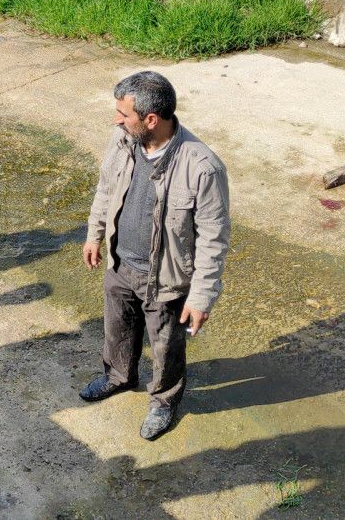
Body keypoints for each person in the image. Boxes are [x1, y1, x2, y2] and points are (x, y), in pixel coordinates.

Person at [80, 71, 231, 440]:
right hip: (119, 264)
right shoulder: (122, 140)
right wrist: (94, 235)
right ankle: (118, 376)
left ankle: (163, 402)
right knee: (117, 330)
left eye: (123, 113)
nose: (117, 119)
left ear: (151, 119)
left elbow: (213, 239)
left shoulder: (202, 167)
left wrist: (200, 297)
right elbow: (105, 190)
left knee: (166, 346)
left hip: (164, 278)